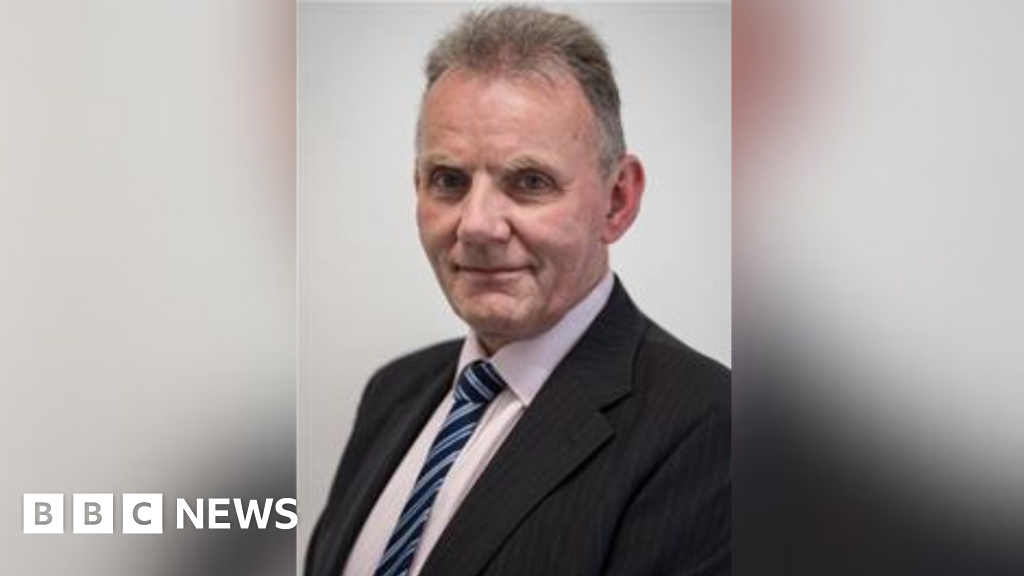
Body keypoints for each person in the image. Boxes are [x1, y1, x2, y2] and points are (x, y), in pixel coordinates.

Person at [305, 5, 730, 576]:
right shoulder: (393, 392)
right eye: (449, 181)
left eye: (530, 182)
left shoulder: (708, 426)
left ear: (617, 200)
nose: (477, 225)